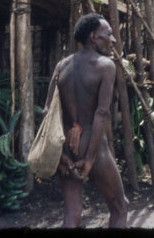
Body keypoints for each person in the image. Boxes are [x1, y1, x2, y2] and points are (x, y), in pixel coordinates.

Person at [42, 13, 128, 228]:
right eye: (109, 34)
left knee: (72, 215)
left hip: (65, 145)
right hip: (92, 144)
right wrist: (90, 158)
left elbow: (47, 112)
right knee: (120, 208)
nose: (113, 40)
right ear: (93, 36)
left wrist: (60, 153)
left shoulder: (61, 66)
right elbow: (101, 113)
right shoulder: (105, 66)